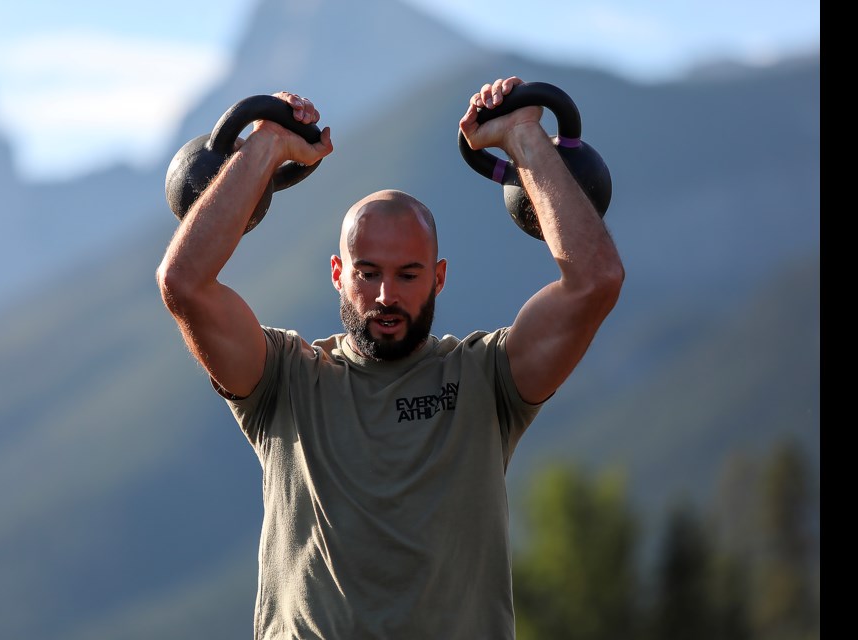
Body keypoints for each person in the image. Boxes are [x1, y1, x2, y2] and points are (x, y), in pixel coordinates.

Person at [157, 76, 624, 639]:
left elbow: (595, 282)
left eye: (408, 274)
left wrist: (526, 139)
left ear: (439, 278)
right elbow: (185, 284)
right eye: (367, 273)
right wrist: (264, 145)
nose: (386, 295)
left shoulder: (486, 377)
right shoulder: (283, 379)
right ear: (338, 274)